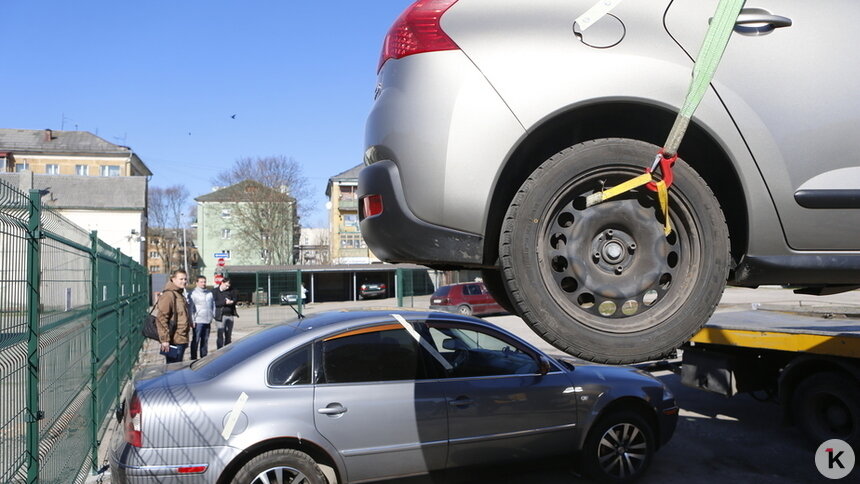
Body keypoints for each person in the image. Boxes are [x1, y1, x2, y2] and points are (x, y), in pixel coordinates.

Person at [155, 269, 191, 363]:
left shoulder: (179, 294)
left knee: (177, 369)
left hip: (181, 339)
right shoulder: (169, 295)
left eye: (185, 279)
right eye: (181, 279)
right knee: (172, 370)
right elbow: (161, 318)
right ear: (173, 279)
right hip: (174, 341)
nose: (184, 281)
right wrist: (164, 340)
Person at [187, 275, 215, 360]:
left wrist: (212, 316)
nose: (203, 283)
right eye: (201, 282)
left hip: (207, 320)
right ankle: (193, 358)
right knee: (196, 339)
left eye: (204, 282)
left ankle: (204, 357)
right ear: (197, 283)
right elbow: (190, 308)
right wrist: (191, 320)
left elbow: (213, 305)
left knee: (205, 340)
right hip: (198, 320)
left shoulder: (209, 293)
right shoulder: (193, 294)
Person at [212, 277, 238, 349]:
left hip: (230, 315)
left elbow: (235, 298)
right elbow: (214, 303)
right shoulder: (215, 291)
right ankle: (220, 350)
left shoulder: (230, 291)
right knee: (220, 334)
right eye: (226, 285)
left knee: (228, 334)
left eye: (228, 286)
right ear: (222, 283)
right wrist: (224, 302)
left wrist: (232, 301)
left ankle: (227, 350)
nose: (227, 287)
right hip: (220, 316)